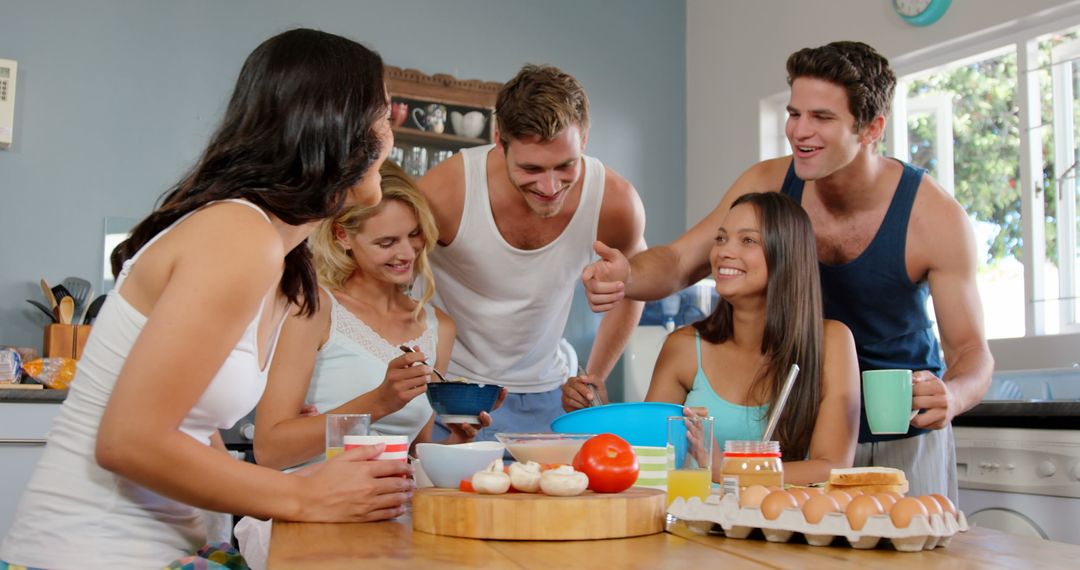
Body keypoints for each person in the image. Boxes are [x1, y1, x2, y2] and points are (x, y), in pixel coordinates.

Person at [0, 29, 412, 569]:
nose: (392, 134)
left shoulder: (284, 264)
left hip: (173, 549)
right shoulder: (238, 237)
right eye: (384, 115)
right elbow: (127, 442)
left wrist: (299, 487)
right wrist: (302, 495)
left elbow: (192, 430)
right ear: (337, 126)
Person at [582, 41, 993, 501]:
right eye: (794, 113)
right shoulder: (766, 183)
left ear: (872, 128)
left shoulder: (933, 218)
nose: (799, 131)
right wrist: (626, 276)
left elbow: (973, 350)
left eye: (821, 117)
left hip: (905, 438)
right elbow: (680, 261)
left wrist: (952, 397)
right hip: (804, 429)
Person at [417, 64, 647, 438]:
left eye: (565, 165)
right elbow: (385, 286)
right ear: (499, 141)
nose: (550, 186)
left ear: (584, 140)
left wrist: (594, 377)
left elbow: (635, 285)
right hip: (455, 396)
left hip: (550, 396)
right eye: (531, 168)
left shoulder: (616, 202)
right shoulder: (447, 192)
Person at [252, 161, 503, 473]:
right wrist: (380, 402)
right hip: (310, 505)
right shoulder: (312, 307)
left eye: (415, 234)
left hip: (387, 509)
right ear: (343, 236)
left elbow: (411, 455)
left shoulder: (438, 327)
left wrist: (457, 442)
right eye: (387, 242)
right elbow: (270, 451)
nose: (408, 253)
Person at [645, 192, 859, 485]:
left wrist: (730, 471)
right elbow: (651, 460)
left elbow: (833, 467)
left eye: (748, 241)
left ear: (787, 253)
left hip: (790, 525)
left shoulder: (832, 342)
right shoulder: (682, 347)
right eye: (721, 239)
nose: (723, 252)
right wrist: (598, 408)